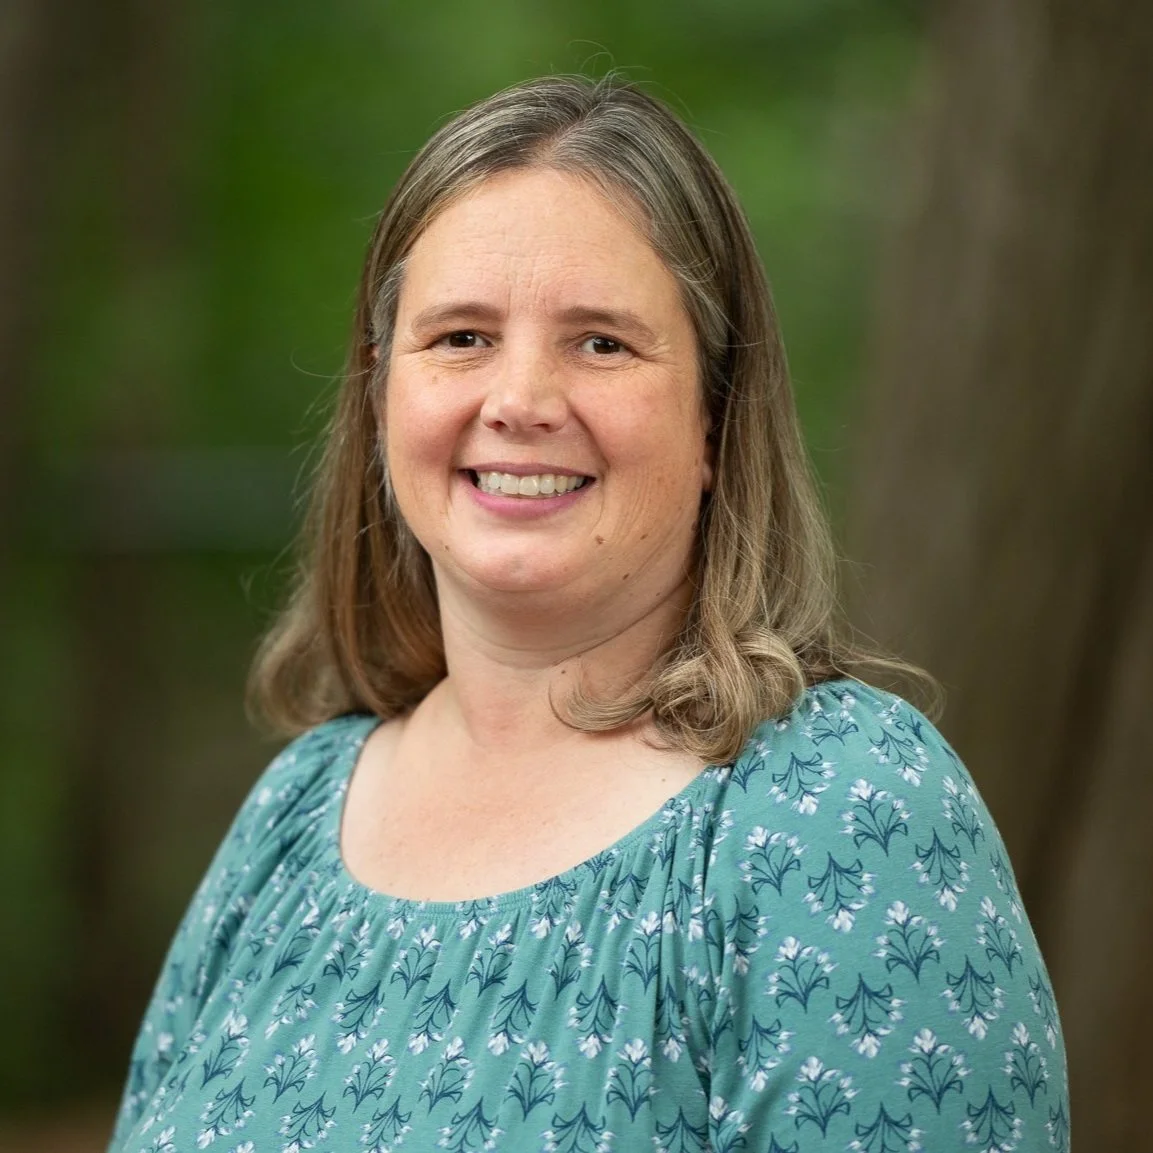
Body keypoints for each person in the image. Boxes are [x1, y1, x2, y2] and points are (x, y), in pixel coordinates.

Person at [109, 75, 1069, 1152]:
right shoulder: (294, 813)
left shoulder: (839, 810)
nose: (519, 400)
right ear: (380, 396)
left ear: (715, 417)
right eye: (460, 336)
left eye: (601, 342)